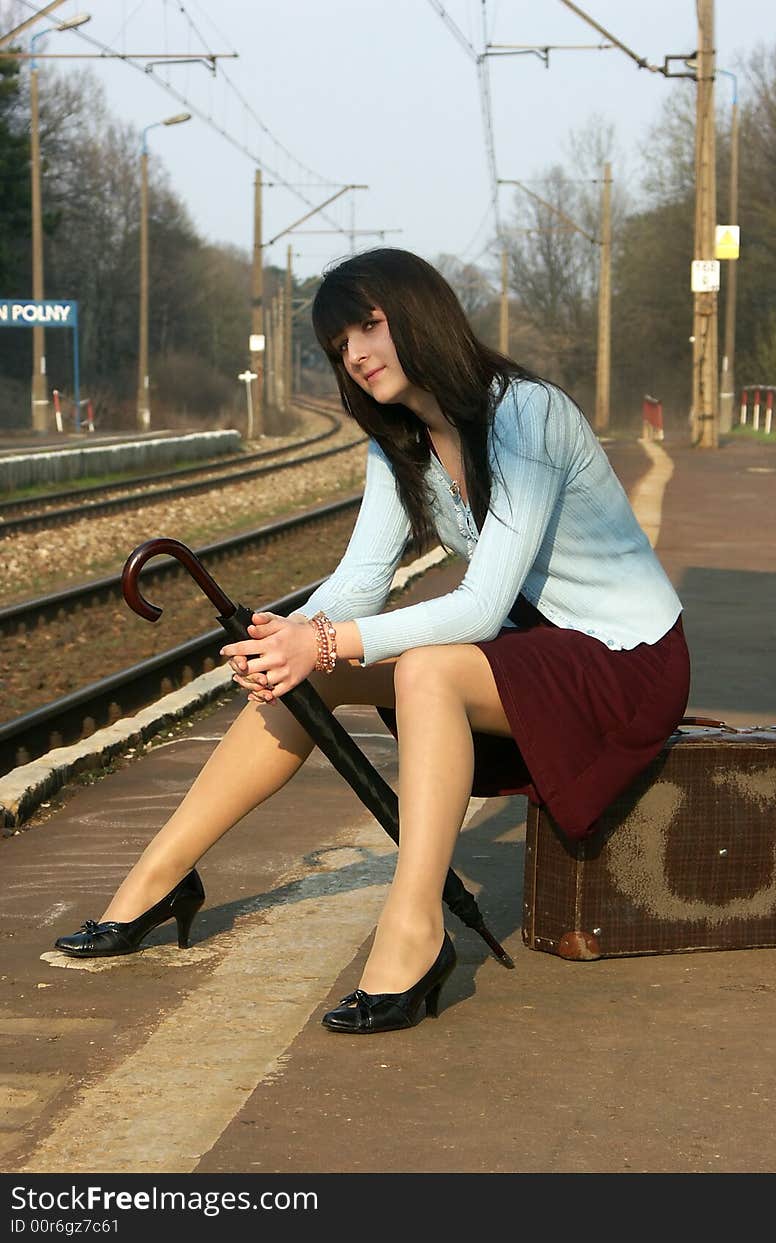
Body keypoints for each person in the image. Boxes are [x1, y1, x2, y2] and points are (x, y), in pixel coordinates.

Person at [54, 248, 690, 1035]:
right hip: (540, 649)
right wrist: (292, 638)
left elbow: (481, 607)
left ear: (418, 314)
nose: (355, 354)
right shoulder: (401, 439)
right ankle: (160, 877)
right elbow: (361, 579)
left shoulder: (525, 414)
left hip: (626, 660)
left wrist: (329, 642)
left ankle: (414, 928)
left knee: (426, 670)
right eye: (338, 345)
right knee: (311, 678)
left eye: (368, 325)